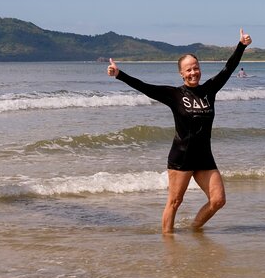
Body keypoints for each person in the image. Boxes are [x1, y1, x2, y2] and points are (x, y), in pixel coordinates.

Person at [107, 28, 252, 233]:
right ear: (181, 73)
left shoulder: (209, 90)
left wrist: (241, 46)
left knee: (218, 200)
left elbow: (229, 68)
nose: (193, 72)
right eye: (188, 70)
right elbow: (144, 87)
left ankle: (195, 229)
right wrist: (119, 74)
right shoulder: (174, 94)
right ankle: (169, 243)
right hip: (181, 157)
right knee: (175, 202)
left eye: (196, 68)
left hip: (204, 158)